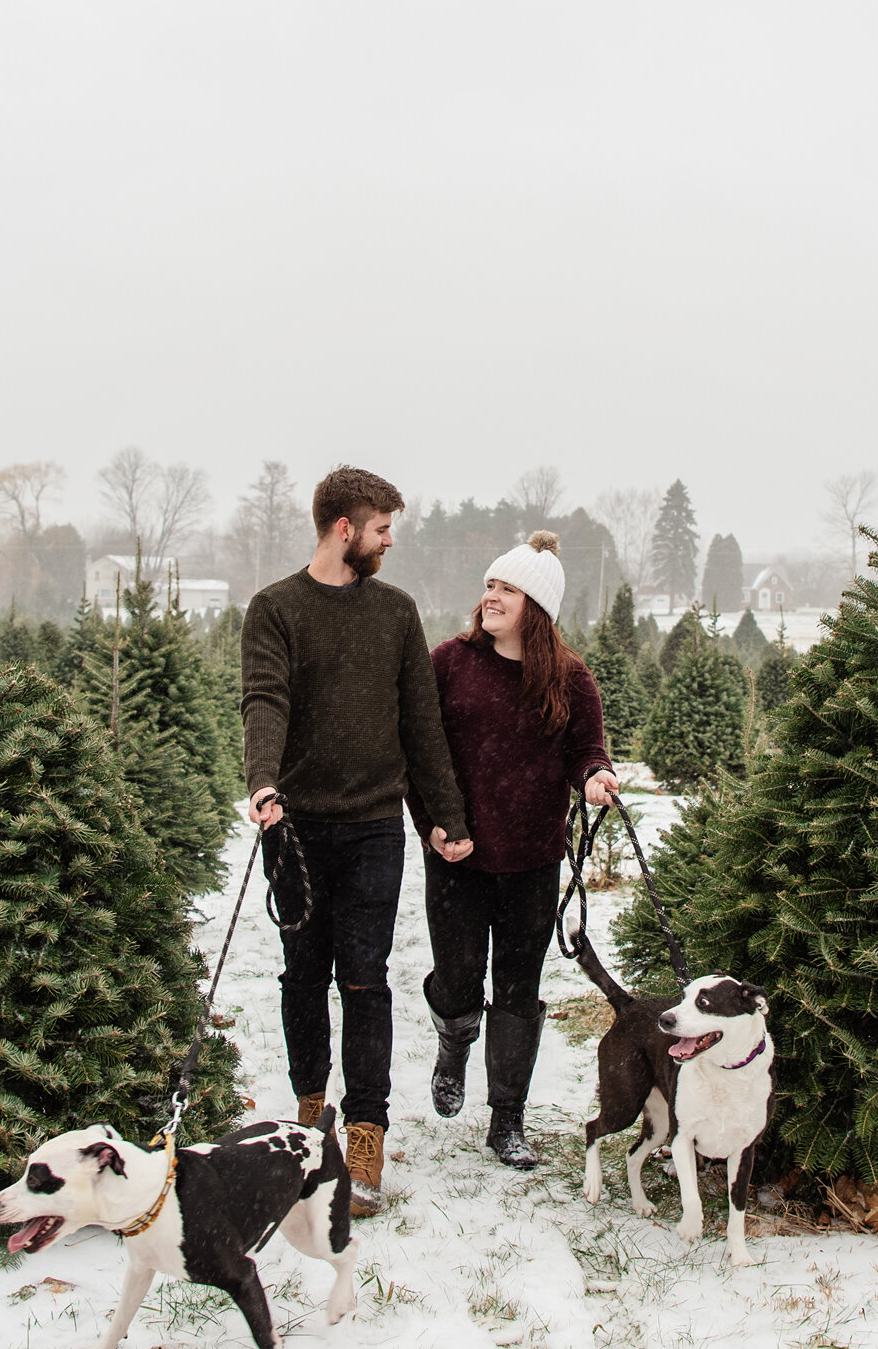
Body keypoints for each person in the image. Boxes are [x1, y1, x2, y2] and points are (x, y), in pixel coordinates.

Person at [241, 465, 473, 1216]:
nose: (388, 540)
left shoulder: (395, 613)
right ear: (345, 529)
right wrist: (262, 781)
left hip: (374, 827)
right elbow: (265, 697)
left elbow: (421, 723)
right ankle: (310, 1121)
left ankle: (366, 1134)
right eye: (380, 529)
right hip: (297, 829)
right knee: (302, 977)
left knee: (365, 980)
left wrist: (446, 817)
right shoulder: (275, 608)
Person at [408, 532, 618, 1169]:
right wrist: (435, 826)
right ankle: (453, 1042)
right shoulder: (451, 662)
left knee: (519, 989)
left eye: (507, 588)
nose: (491, 596)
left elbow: (585, 751)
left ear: (538, 605)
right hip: (457, 856)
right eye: (490, 585)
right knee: (457, 978)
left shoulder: (570, 679)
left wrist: (595, 777)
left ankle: (507, 1119)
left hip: (531, 858)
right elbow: (421, 752)